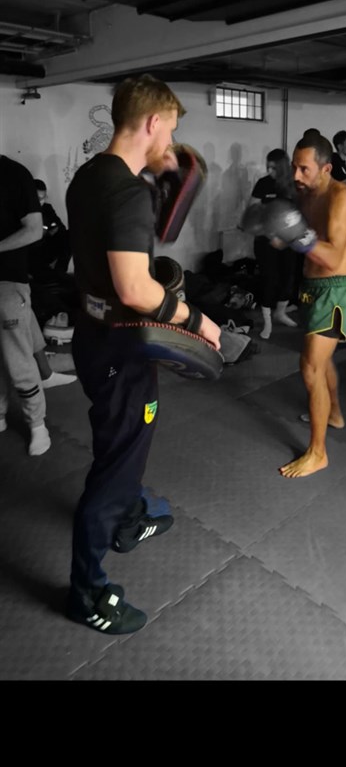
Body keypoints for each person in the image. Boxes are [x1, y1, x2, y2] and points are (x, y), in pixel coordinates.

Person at [65, 74, 221, 635]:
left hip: (92, 337)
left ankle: (129, 513)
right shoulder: (128, 191)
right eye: (170, 129)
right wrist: (197, 319)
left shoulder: (89, 176)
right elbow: (134, 289)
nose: (172, 142)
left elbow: (109, 261)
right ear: (153, 122)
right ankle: (87, 592)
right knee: (116, 463)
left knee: (119, 440)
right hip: (121, 348)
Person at [243, 134, 346, 477]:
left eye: (304, 169)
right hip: (310, 288)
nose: (296, 175)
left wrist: (295, 234)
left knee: (310, 367)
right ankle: (334, 413)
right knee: (322, 363)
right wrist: (272, 228)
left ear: (326, 168)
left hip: (336, 293)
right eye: (294, 167)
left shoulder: (342, 199)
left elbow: (334, 257)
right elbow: (290, 239)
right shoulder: (305, 195)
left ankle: (318, 453)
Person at [0, 154, 76, 456]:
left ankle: (37, 424)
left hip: (9, 281)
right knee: (12, 348)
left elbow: (34, 231)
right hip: (26, 279)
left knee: (17, 358)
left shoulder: (13, 174)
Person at [249, 149, 298, 339]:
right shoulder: (263, 183)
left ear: (283, 167)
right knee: (269, 279)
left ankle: (280, 312)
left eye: (273, 167)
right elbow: (252, 211)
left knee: (288, 277)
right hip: (265, 240)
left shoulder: (293, 185)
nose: (269, 171)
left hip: (287, 240)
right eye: (267, 166)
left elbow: (298, 212)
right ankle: (267, 321)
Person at [29, 179, 72, 276]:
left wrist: (47, 230)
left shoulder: (47, 208)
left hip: (47, 245)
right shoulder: (24, 211)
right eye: (37, 198)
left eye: (43, 197)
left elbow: (60, 227)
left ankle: (60, 272)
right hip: (32, 251)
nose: (41, 201)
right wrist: (48, 227)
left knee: (70, 235)